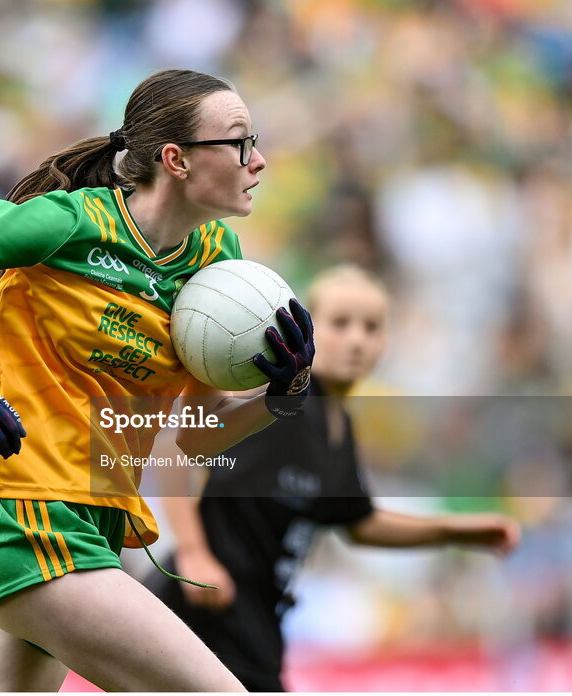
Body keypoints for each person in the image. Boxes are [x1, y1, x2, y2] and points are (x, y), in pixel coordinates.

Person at [0, 68, 317, 692]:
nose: (257, 160)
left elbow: (195, 438)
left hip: (94, 530)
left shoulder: (217, 260)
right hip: (32, 524)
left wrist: (279, 396)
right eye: (238, 141)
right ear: (176, 159)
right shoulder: (70, 224)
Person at [146, 264, 521, 692]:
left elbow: (358, 523)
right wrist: (195, 554)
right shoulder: (284, 409)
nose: (357, 339)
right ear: (308, 332)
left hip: (255, 618)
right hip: (206, 608)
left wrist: (458, 532)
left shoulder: (337, 428)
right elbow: (178, 451)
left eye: (371, 327)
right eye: (340, 324)